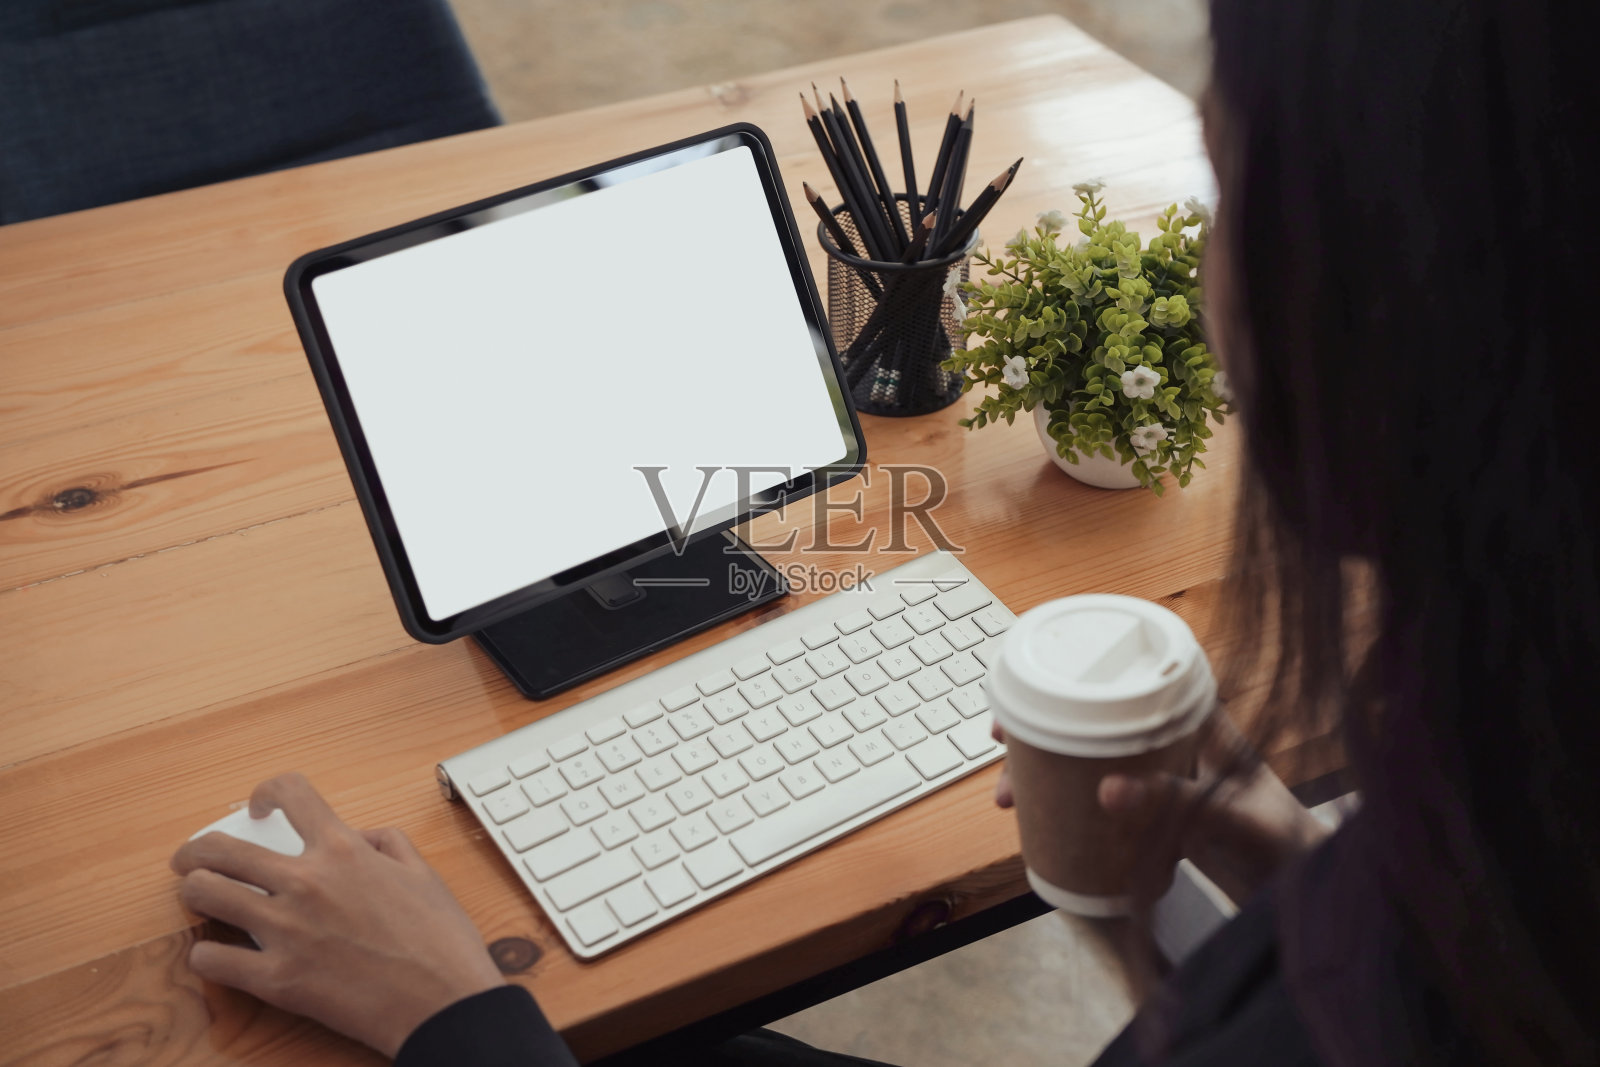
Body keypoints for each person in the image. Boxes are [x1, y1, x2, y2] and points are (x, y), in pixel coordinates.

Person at [170, 0, 1600, 1062]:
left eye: (1225, 183)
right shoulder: (1528, 802)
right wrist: (1284, 876)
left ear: (1375, 315)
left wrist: (458, 1021)